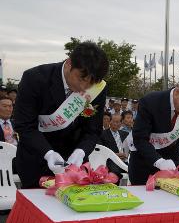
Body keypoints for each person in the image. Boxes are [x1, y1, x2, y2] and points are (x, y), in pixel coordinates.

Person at [13, 42, 109, 188]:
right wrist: (48, 153)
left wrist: (81, 151)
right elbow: (24, 125)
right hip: (36, 160)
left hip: (74, 165)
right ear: (70, 63)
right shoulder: (34, 79)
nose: (84, 87)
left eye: (91, 84)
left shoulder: (98, 89)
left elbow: (93, 130)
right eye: (81, 79)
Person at [128, 80, 179, 185]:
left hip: (171, 163)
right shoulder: (150, 101)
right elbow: (140, 138)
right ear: (178, 93)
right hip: (144, 162)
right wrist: (159, 161)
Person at [99, 114, 128, 181]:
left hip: (125, 160)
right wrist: (115, 155)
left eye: (118, 122)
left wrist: (127, 155)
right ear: (110, 122)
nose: (116, 124)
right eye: (114, 121)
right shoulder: (102, 134)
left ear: (121, 123)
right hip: (111, 161)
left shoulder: (125, 134)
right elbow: (100, 151)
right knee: (114, 171)